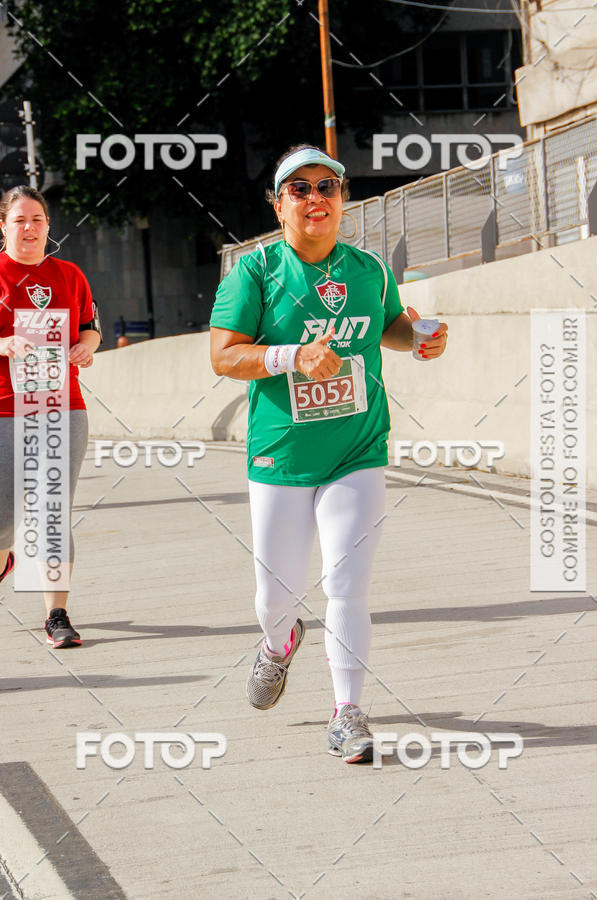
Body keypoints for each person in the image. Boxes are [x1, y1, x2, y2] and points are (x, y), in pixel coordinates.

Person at [210, 145, 448, 763]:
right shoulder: (254, 272)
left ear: (343, 199)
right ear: (279, 204)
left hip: (357, 447)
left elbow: (390, 324)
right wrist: (292, 355)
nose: (316, 198)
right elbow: (223, 355)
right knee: (275, 597)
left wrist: (419, 339)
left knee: (347, 584)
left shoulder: (368, 269)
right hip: (281, 454)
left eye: (328, 187)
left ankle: (347, 711)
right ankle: (278, 643)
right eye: (300, 189)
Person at [0, 185, 101, 648]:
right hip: (5, 409)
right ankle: (9, 553)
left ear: (47, 226)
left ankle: (56, 614)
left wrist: (85, 347)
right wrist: (4, 345)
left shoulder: (68, 274)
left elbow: (90, 329)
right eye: (20, 219)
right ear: (3, 225)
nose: (29, 228)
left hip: (63, 408)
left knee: (52, 513)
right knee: (5, 520)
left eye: (37, 219)